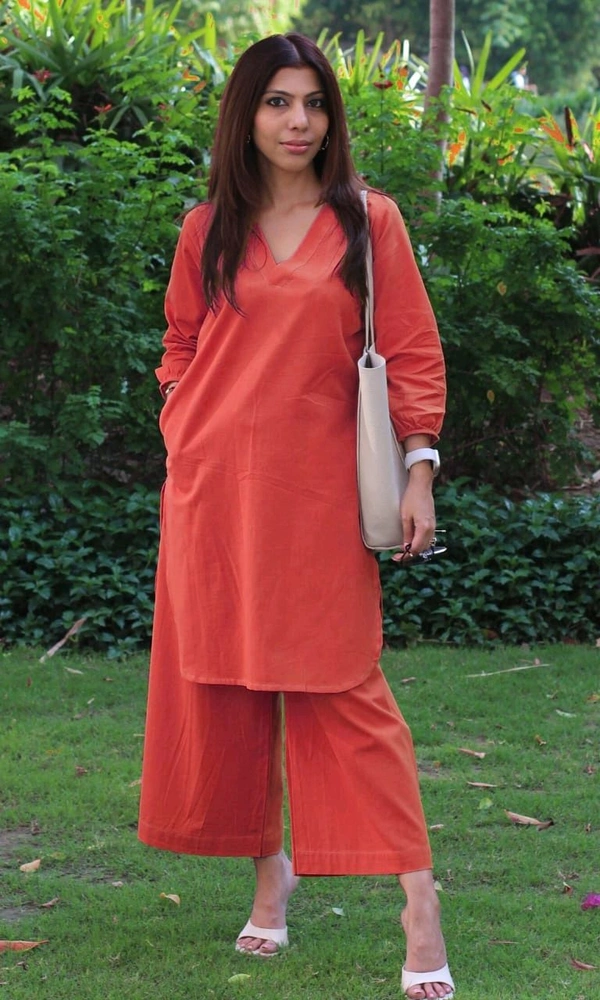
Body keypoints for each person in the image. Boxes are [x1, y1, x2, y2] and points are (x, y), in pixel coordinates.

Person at [138, 32, 454, 1000]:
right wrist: (183, 417)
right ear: (248, 116)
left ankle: (419, 902)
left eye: (313, 102)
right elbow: (180, 341)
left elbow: (412, 351)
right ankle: (268, 876)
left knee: (344, 689)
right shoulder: (207, 228)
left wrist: (419, 471)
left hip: (318, 499)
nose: (298, 121)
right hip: (213, 493)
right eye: (278, 102)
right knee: (231, 688)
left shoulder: (368, 221)